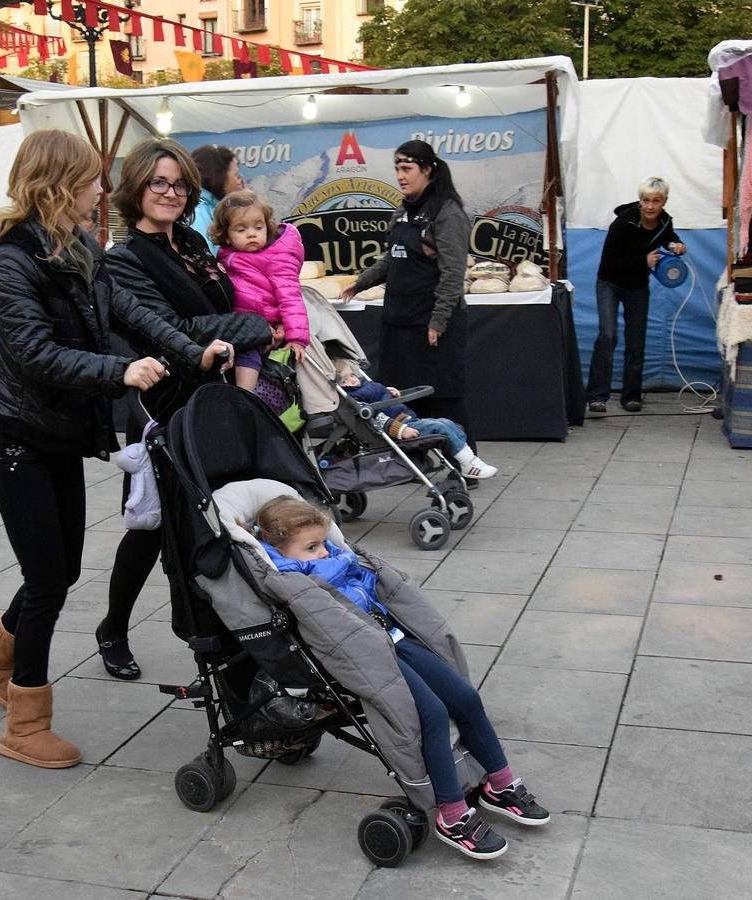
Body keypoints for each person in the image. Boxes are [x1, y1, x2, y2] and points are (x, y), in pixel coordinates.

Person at [0, 129, 234, 769]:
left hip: (57, 437)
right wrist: (120, 373)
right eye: (90, 179)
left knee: (60, 569)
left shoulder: (80, 247)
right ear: (59, 184)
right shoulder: (15, 258)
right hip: (16, 440)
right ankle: (25, 725)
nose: (99, 189)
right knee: (48, 579)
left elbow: (129, 316)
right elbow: (31, 353)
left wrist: (186, 350)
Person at [254, 496, 549, 860]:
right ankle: (451, 814)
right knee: (431, 714)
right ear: (277, 545)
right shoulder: (290, 578)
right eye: (311, 547)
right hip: (363, 653)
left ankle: (499, 785)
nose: (323, 552)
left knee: (466, 697)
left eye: (322, 542)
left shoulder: (336, 558)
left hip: (392, 635)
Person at [98, 138, 273, 680]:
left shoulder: (194, 244)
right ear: (136, 189)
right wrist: (254, 327)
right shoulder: (124, 262)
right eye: (158, 182)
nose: (170, 193)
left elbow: (224, 305)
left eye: (179, 184)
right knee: (154, 527)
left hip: (215, 402)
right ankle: (115, 628)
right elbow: (177, 332)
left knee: (217, 523)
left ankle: (231, 650)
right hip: (163, 406)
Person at [341, 141, 475, 449]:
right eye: (397, 169)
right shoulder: (404, 210)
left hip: (432, 323)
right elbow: (391, 257)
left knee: (443, 396)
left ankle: (463, 460)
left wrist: (438, 322)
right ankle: (420, 460)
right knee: (404, 397)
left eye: (407, 169)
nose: (400, 176)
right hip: (399, 320)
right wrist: (361, 282)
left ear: (427, 170)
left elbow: (453, 274)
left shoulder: (448, 213)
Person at [587, 177, 686, 414]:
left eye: (656, 201)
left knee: (636, 340)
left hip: (637, 286)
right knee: (608, 336)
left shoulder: (664, 222)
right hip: (610, 282)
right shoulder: (623, 222)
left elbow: (669, 237)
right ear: (640, 200)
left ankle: (631, 396)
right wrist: (644, 261)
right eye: (646, 200)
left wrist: (677, 245)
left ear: (664, 202)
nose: (650, 206)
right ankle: (597, 396)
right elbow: (610, 260)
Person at [211, 189, 310, 392]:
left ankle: (246, 395)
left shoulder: (276, 258)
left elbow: (291, 297)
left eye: (258, 227)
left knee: (249, 349)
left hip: (261, 324)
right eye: (241, 230)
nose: (252, 234)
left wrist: (297, 338)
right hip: (237, 322)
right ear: (226, 236)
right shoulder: (227, 256)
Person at [334, 360, 496, 478]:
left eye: (352, 375)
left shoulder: (365, 387)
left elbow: (377, 394)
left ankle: (470, 460)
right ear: (340, 386)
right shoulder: (355, 398)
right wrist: (401, 431)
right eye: (345, 380)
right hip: (400, 426)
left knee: (448, 423)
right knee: (441, 428)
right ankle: (469, 465)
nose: (353, 379)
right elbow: (376, 418)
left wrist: (388, 391)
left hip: (407, 418)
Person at [190, 144, 244, 253]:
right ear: (219, 176)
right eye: (236, 175)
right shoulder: (198, 216)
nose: (240, 181)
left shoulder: (218, 210)